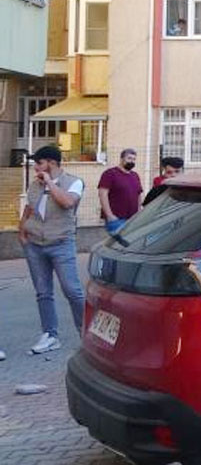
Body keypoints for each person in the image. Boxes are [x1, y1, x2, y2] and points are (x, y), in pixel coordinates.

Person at [19, 145, 86, 355]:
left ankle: (87, 335)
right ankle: (50, 335)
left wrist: (49, 184)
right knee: (43, 292)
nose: (36, 168)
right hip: (35, 244)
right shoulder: (34, 185)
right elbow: (29, 209)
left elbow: (67, 202)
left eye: (39, 164)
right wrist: (22, 231)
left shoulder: (73, 182)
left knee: (72, 291)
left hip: (61, 243)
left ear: (52, 163)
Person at [98, 148, 143, 235]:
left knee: (129, 245)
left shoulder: (135, 175)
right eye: (129, 158)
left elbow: (139, 194)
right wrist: (109, 215)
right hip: (116, 219)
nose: (132, 161)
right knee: (117, 246)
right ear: (121, 159)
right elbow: (102, 194)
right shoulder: (110, 173)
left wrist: (138, 212)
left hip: (132, 219)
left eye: (134, 159)